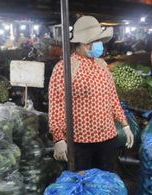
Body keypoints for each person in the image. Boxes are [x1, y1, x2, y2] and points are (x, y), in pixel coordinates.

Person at [48, 16, 133, 171]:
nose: (98, 45)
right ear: (80, 44)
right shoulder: (65, 68)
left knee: (105, 182)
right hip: (80, 142)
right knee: (83, 184)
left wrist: (124, 124)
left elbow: (112, 97)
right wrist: (58, 137)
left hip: (107, 137)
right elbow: (57, 104)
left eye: (98, 41)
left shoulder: (102, 64)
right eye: (92, 42)